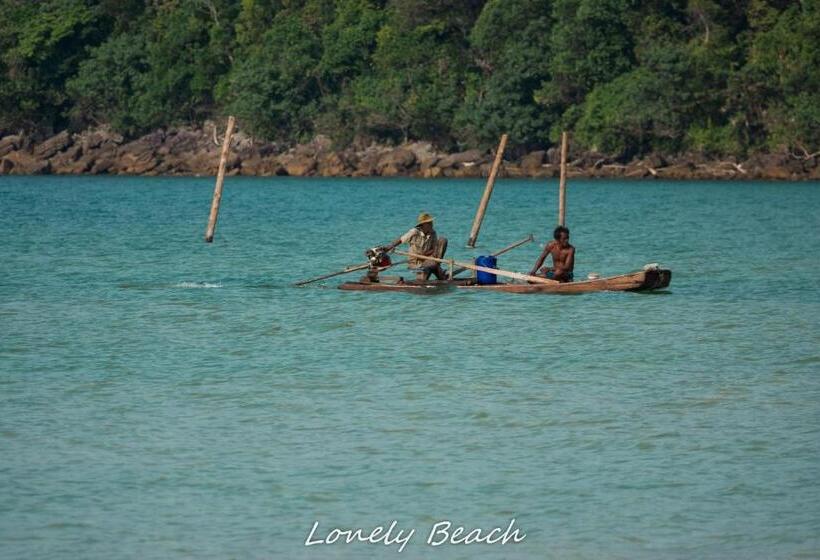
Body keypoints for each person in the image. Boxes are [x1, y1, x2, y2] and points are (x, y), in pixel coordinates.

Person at [382, 212, 448, 280]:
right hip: (415, 262)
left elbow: (434, 249)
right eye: (429, 223)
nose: (432, 224)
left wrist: (427, 255)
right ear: (424, 224)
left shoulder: (433, 233)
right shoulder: (414, 232)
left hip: (428, 259)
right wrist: (388, 248)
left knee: (443, 240)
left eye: (431, 222)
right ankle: (437, 270)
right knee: (423, 279)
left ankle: (437, 267)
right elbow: (401, 240)